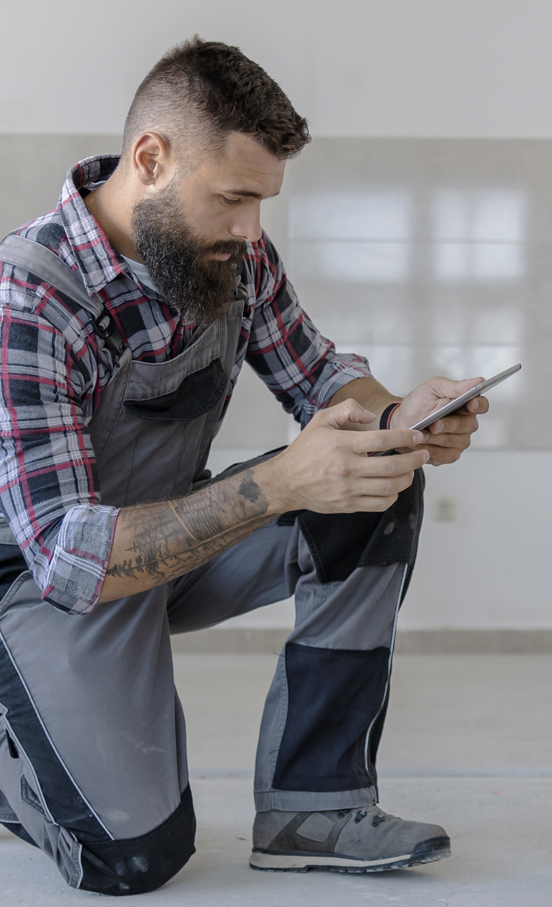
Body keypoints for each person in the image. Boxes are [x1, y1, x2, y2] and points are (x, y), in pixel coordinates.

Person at [0, 36, 487, 895]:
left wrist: (397, 417)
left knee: (373, 483)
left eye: (262, 202)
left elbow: (319, 375)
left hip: (169, 543)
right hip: (40, 584)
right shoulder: (30, 296)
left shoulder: (232, 258)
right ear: (151, 159)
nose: (251, 230)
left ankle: (315, 806)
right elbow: (69, 554)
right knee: (132, 857)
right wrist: (276, 483)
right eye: (233, 198)